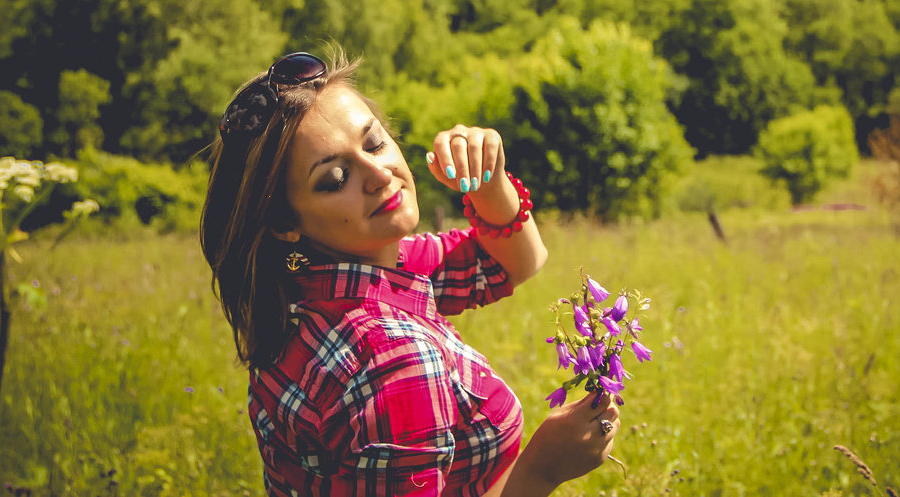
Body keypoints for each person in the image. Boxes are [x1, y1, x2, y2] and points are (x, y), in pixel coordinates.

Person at [200, 50, 619, 496]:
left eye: (374, 143)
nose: (379, 174)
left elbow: (516, 262)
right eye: (336, 177)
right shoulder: (392, 359)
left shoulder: (315, 284)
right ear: (284, 223)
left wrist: (488, 180)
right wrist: (541, 469)